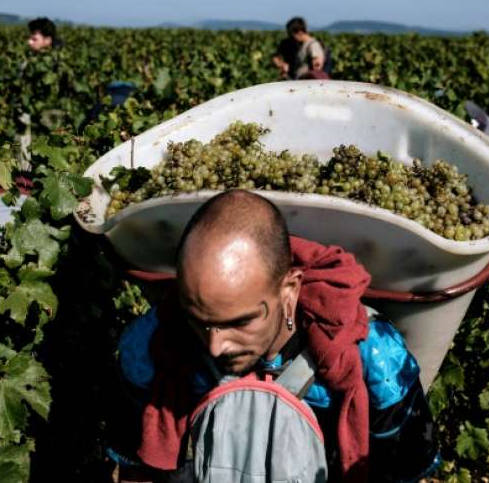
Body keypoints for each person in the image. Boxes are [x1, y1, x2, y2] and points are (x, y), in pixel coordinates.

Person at [110, 190, 441, 482]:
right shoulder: (151, 349)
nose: (215, 345)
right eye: (198, 321)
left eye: (240, 322)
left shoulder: (375, 360)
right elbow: (135, 471)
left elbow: (399, 470)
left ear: (290, 290)